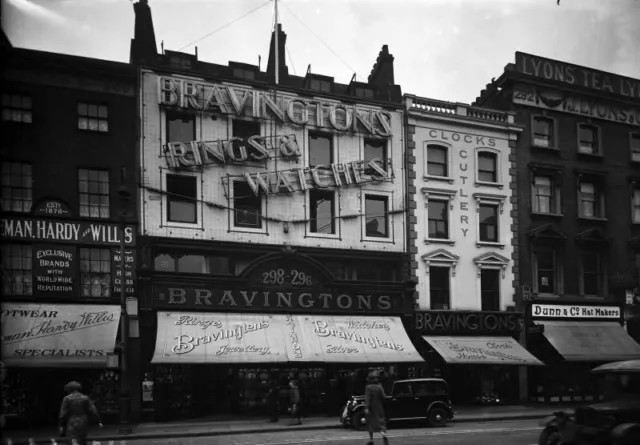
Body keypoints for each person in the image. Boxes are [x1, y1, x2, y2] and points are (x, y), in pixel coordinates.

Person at [365, 374, 389, 445]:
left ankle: (371, 440)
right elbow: (384, 396)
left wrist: (366, 407)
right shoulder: (379, 386)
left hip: (371, 408)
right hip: (379, 407)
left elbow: (368, 398)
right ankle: (383, 434)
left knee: (370, 424)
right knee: (380, 422)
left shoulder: (368, 387)